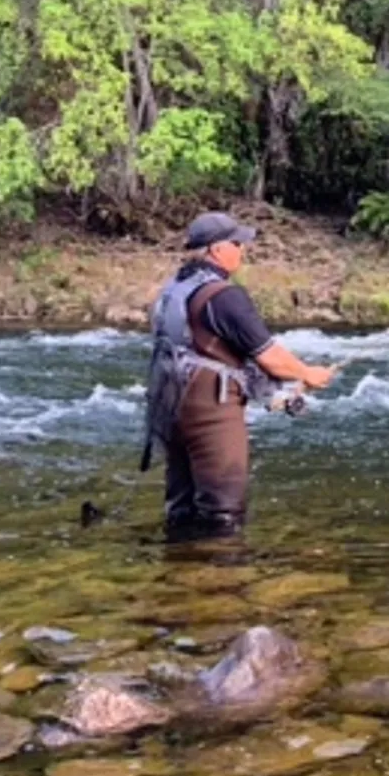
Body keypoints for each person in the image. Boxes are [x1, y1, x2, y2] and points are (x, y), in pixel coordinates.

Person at [144, 211, 337, 540]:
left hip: (168, 406)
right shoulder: (224, 296)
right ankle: (222, 581)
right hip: (209, 411)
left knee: (182, 507)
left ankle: (178, 572)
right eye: (237, 243)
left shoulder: (173, 289)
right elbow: (271, 358)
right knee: (223, 510)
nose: (243, 250)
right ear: (217, 250)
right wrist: (309, 374)